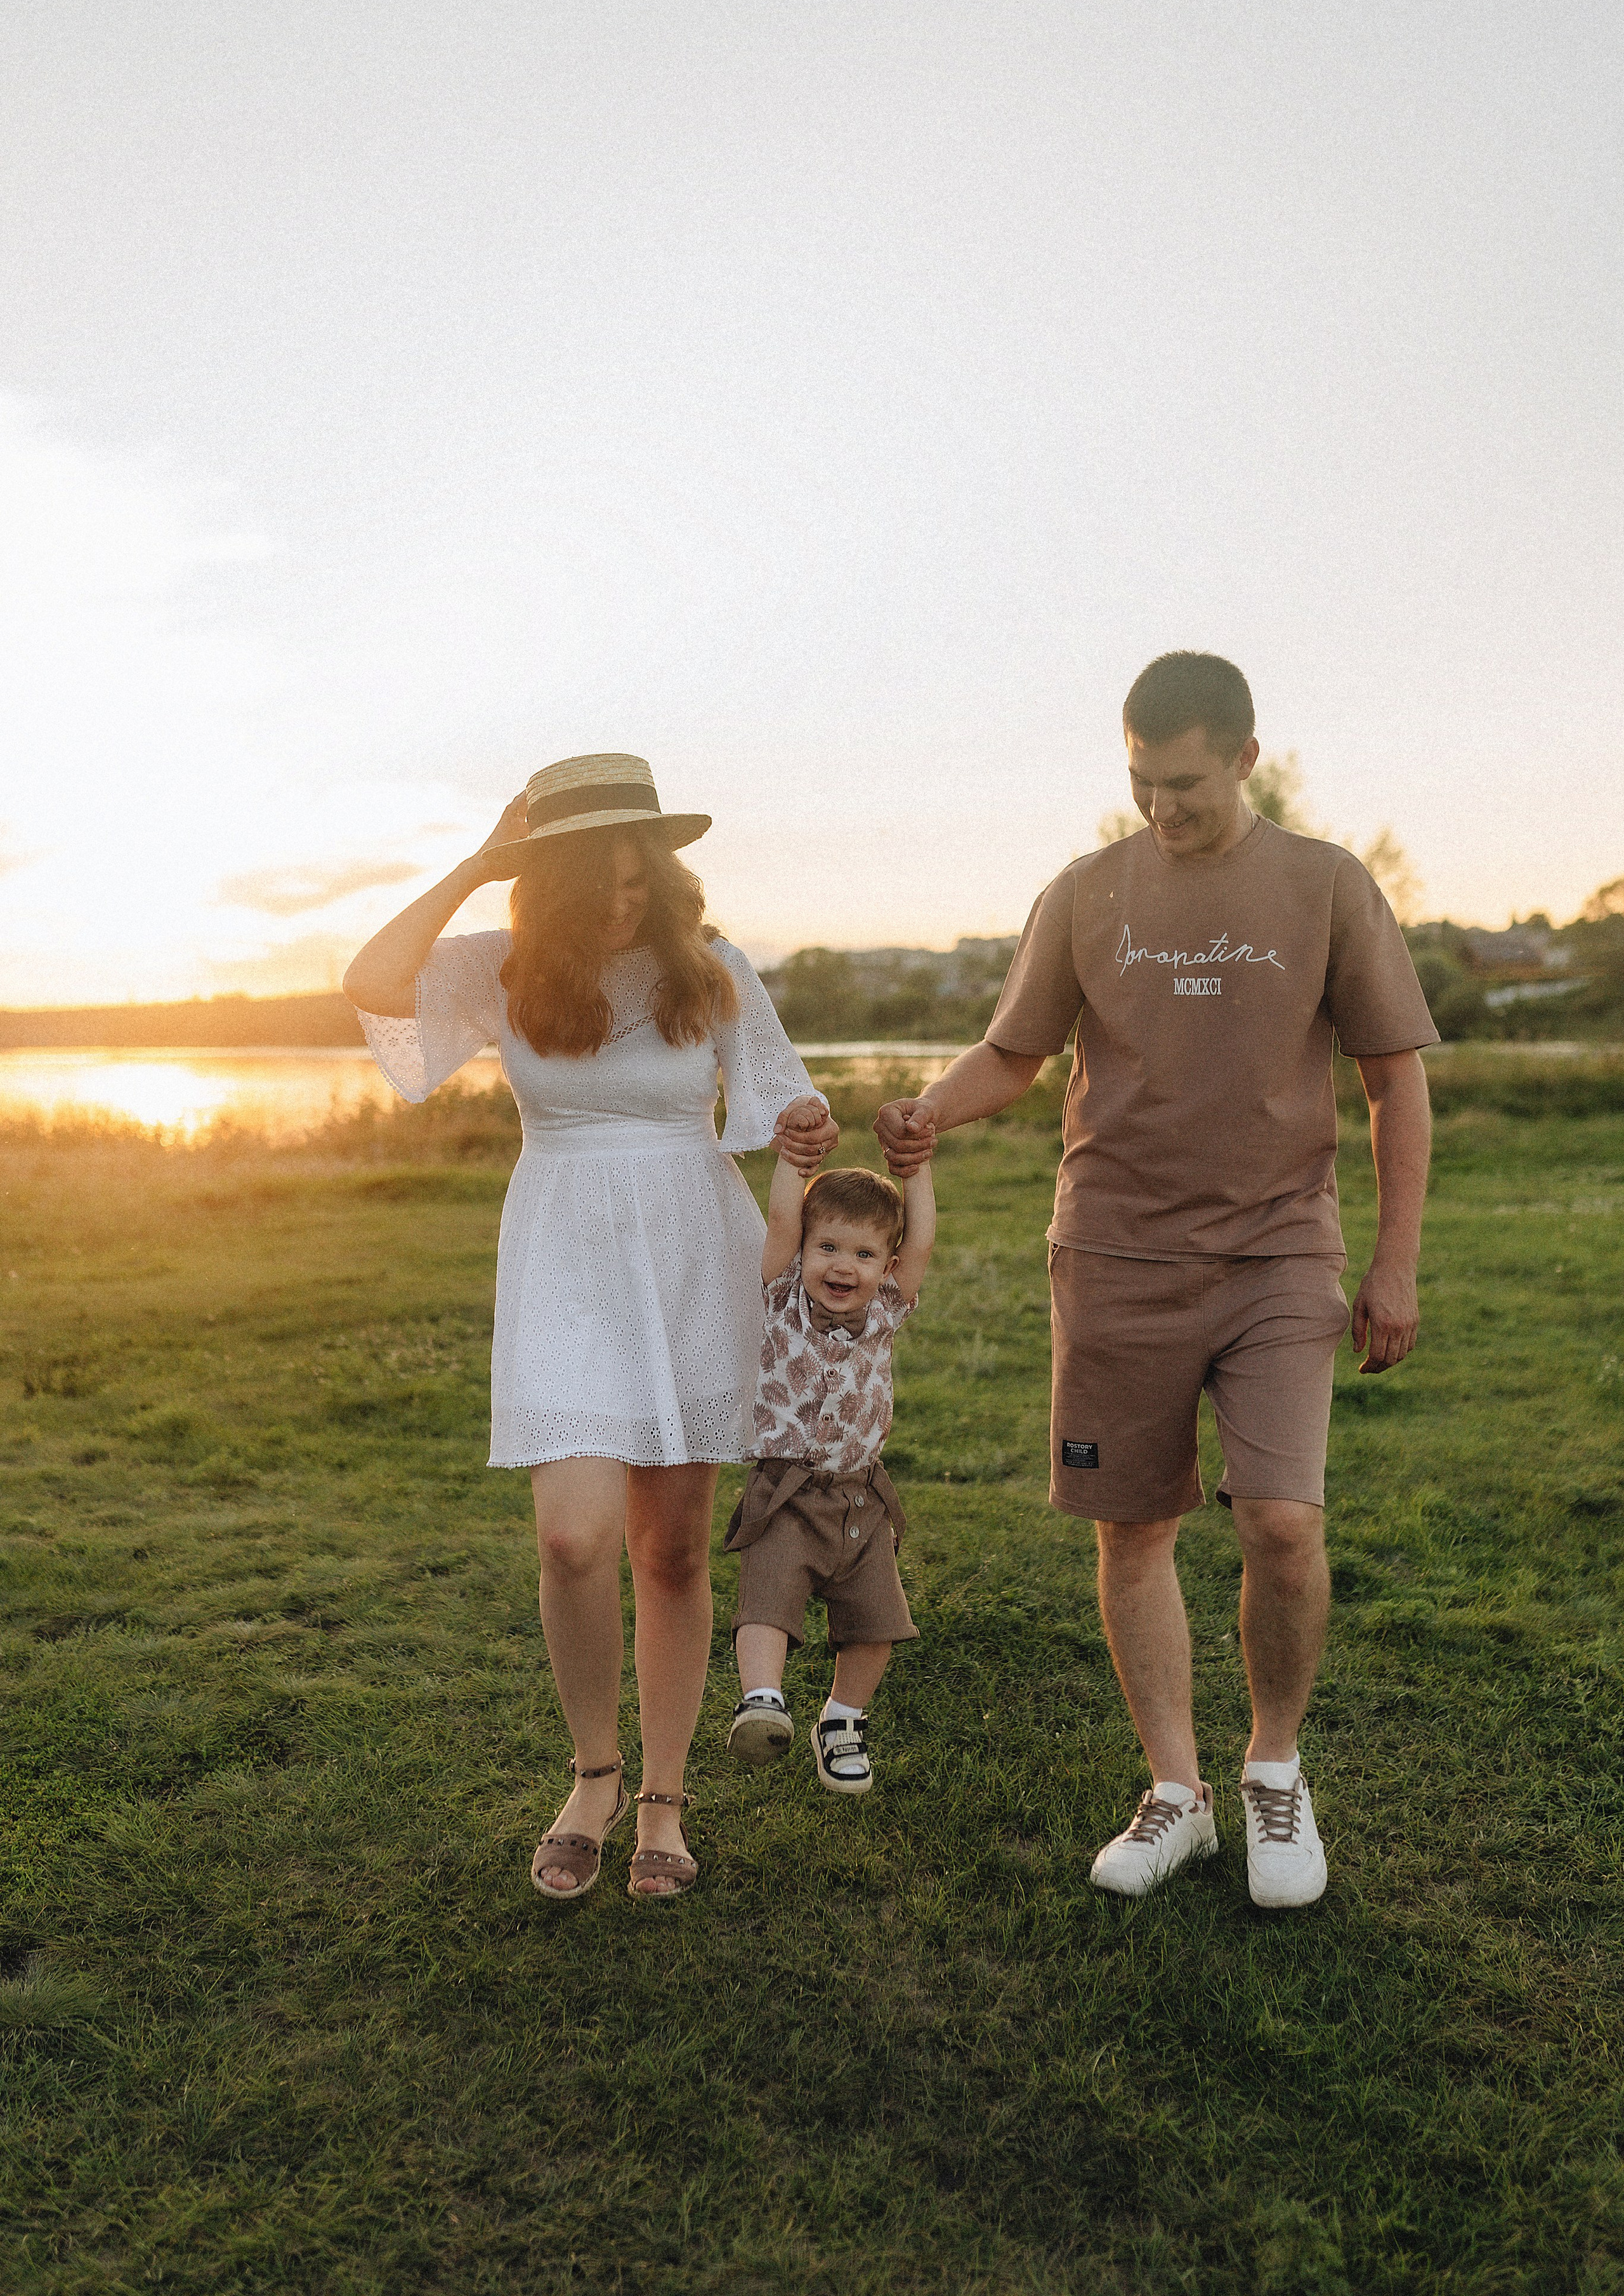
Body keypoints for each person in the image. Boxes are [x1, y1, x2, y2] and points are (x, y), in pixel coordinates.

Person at [875, 654, 1437, 1907]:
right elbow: (1010, 1052)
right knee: (1131, 1525)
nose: (1159, 808)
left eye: (1181, 782)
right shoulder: (1083, 891)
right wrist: (927, 1113)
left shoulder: (1325, 884)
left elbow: (1394, 1082)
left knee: (1280, 1520)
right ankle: (1173, 1790)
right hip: (1114, 1252)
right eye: (1138, 780)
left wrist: (1390, 1265)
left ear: (1244, 757)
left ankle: (1273, 1771)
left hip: (1277, 1251)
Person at [343, 751, 837, 1901]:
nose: (625, 899)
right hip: (563, 1252)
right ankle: (592, 1773)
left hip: (686, 1248)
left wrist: (805, 1131)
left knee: (669, 1545)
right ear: (552, 884)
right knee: (571, 1538)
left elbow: (776, 1104)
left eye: (640, 875)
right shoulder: (503, 969)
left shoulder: (711, 969)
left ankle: (662, 1797)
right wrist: (477, 860)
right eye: (601, 879)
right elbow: (371, 980)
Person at [723, 1152, 936, 1793]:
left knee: (877, 1623)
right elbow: (785, 1213)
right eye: (828, 1247)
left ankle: (841, 1721)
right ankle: (762, 1700)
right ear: (802, 1250)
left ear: (888, 1268)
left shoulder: (885, 1312)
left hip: (860, 1500)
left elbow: (921, 1236)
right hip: (785, 1493)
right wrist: (794, 1157)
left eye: (864, 1254)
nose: (843, 1265)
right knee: (766, 1603)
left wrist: (917, 1168)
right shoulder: (782, 1297)